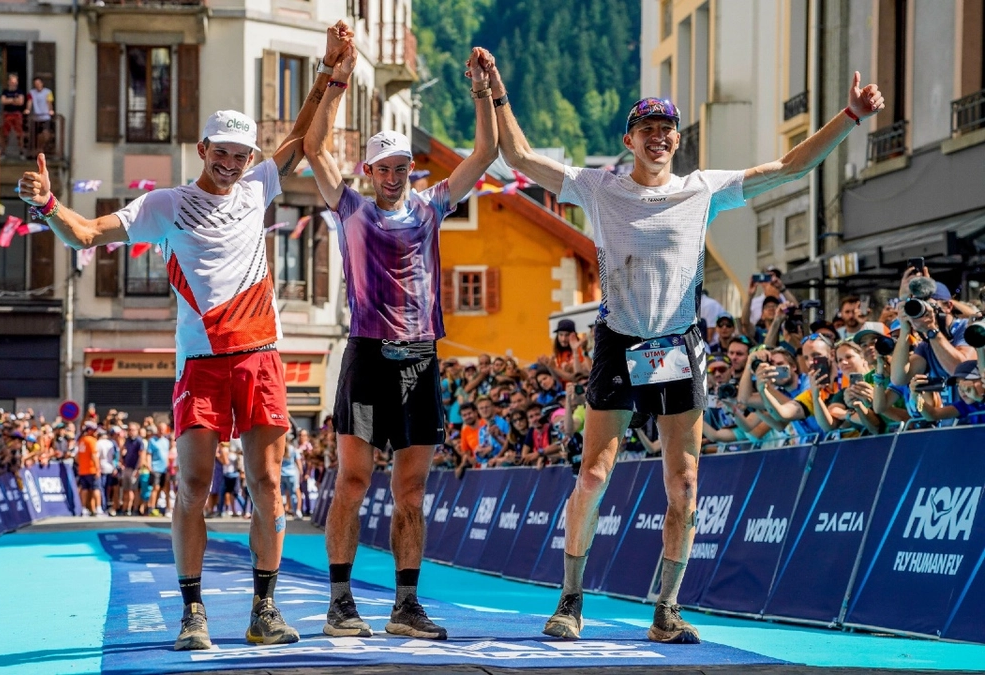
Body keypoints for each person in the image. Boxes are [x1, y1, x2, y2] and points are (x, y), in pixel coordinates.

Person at [484, 45, 884, 643]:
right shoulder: (598, 187)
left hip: (677, 346)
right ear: (629, 140)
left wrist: (850, 117)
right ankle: (570, 599)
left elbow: (790, 167)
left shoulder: (703, 188)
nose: (658, 138)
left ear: (677, 141)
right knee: (593, 477)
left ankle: (666, 609)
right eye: (647, 129)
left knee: (686, 484)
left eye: (667, 130)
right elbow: (516, 155)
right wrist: (495, 89)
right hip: (620, 342)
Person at [19, 20, 353, 651]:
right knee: (194, 487)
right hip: (200, 362)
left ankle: (263, 610)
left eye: (241, 155)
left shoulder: (258, 186)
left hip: (260, 356)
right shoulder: (164, 205)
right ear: (202, 149)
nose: (230, 164)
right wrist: (46, 206)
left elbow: (305, 137)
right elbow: (85, 235)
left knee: (268, 486)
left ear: (250, 159)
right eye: (221, 153)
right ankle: (192, 614)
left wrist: (331, 72)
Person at [303, 45, 498, 641]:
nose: (392, 177)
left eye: (401, 168)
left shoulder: (433, 205)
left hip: (419, 356)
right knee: (353, 481)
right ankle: (340, 603)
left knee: (411, 489)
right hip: (367, 355)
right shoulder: (350, 208)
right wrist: (336, 80)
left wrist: (483, 88)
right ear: (368, 171)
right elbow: (313, 148)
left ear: (412, 170)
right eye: (383, 168)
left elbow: (486, 152)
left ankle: (405, 606)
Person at [76, 422, 103, 516]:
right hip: (92, 469)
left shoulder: (81, 440)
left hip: (82, 469)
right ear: (90, 431)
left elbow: (77, 457)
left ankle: (84, 508)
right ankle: (98, 508)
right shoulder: (92, 440)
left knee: (85, 489)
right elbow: (94, 455)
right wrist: (98, 468)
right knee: (96, 488)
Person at [120, 422, 147, 516]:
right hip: (127, 467)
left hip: (134, 468)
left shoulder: (139, 441)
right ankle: (125, 507)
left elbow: (142, 455)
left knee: (133, 490)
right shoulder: (127, 440)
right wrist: (122, 461)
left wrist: (138, 469)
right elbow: (123, 451)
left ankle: (132, 508)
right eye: (129, 430)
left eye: (133, 430)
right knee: (126, 489)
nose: (131, 431)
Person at [148, 422, 172, 516]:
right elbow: (149, 454)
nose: (161, 431)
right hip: (155, 467)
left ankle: (158, 508)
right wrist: (149, 465)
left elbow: (167, 455)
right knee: (156, 487)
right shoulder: (152, 440)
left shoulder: (166, 441)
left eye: (163, 429)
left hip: (164, 468)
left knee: (163, 488)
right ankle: (151, 507)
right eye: (160, 429)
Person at [26, 77, 55, 153]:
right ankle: (37, 149)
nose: (37, 85)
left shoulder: (48, 92)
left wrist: (50, 110)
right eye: (35, 84)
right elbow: (29, 101)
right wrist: (28, 109)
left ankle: (41, 147)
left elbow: (49, 102)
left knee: (46, 134)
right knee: (35, 135)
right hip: (36, 117)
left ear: (42, 83)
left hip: (45, 117)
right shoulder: (31, 92)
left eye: (38, 83)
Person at [279, 434, 304, 518]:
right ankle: (296, 511)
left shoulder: (280, 449)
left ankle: (282, 512)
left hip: (281, 474)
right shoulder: (293, 449)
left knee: (282, 494)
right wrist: (301, 472)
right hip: (291, 474)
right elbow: (298, 462)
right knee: (293, 494)